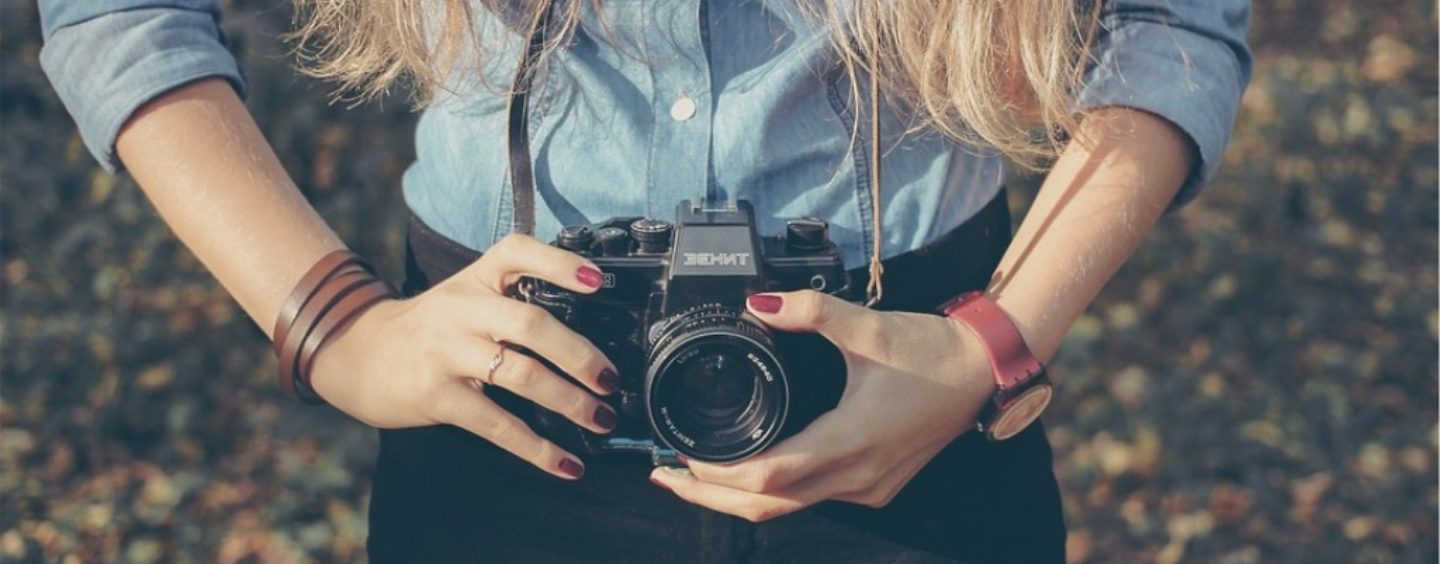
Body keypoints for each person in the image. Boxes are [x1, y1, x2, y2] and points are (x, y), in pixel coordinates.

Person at [39, 0, 1251, 562]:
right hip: (509, 405)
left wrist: (996, 340)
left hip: (916, 385)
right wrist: (333, 326)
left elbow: (1177, 15)